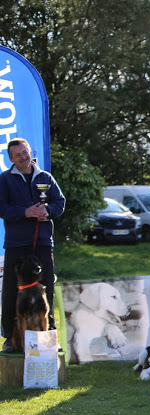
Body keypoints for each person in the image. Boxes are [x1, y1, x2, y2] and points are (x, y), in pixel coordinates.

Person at [0, 138, 66, 353]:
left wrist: (47, 212)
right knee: (11, 290)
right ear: (11, 159)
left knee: (47, 287)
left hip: (43, 243)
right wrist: (25, 212)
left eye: (25, 152)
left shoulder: (45, 177)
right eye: (17, 155)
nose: (23, 157)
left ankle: (49, 335)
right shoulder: (4, 179)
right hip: (16, 244)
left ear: (30, 152)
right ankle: (10, 338)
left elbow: (60, 203)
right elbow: (1, 207)